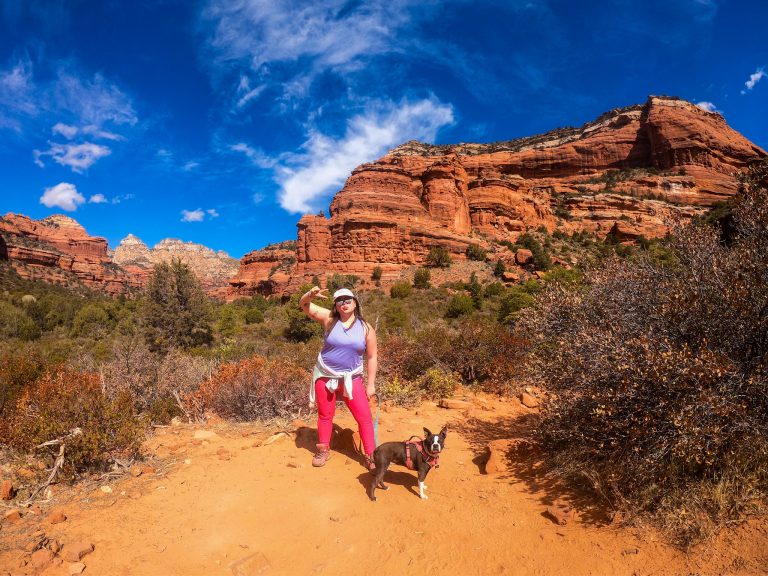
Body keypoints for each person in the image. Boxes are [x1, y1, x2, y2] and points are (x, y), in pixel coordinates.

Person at [299, 286, 378, 471]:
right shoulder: (329, 319)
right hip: (326, 375)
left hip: (352, 377)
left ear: (355, 303)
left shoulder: (366, 328)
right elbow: (304, 305)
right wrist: (309, 295)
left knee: (364, 417)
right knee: (325, 415)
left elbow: (372, 356)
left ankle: (371, 454)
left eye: (347, 299)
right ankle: (323, 449)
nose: (344, 303)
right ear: (335, 305)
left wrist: (371, 385)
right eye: (339, 301)